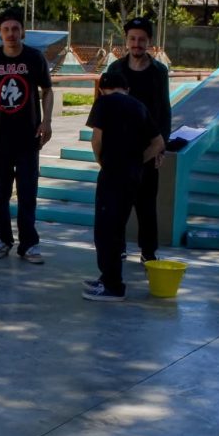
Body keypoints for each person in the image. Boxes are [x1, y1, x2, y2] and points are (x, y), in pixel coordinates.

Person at [0, 7, 53, 263]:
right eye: (6, 29)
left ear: (23, 32)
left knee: (27, 192)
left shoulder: (34, 58)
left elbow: (47, 90)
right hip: (0, 139)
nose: (11, 33)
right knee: (1, 193)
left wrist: (47, 122)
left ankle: (29, 244)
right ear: (0, 33)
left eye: (15, 29)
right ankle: (3, 238)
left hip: (28, 138)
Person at [83, 71, 165, 301]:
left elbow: (96, 139)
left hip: (112, 174)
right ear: (127, 89)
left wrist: (102, 160)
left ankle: (113, 285)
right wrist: (138, 161)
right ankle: (108, 278)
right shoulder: (139, 106)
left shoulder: (104, 103)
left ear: (102, 90)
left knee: (105, 230)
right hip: (133, 176)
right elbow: (158, 142)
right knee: (117, 225)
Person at [104, 17, 171, 263]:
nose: (136, 43)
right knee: (118, 203)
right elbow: (106, 108)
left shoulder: (159, 72)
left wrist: (161, 146)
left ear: (149, 41)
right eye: (132, 38)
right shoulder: (115, 70)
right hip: (120, 148)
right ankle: (118, 247)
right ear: (126, 41)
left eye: (141, 39)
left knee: (146, 204)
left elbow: (164, 111)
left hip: (147, 147)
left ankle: (148, 252)